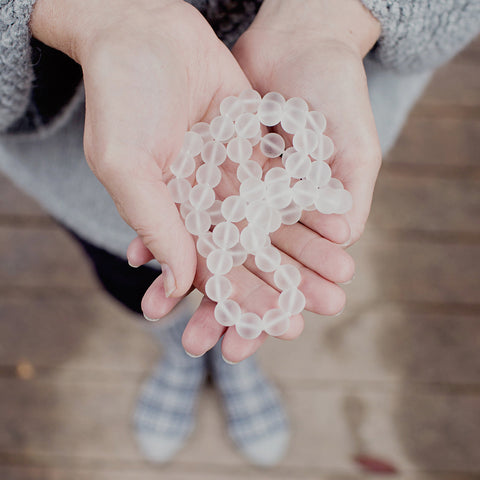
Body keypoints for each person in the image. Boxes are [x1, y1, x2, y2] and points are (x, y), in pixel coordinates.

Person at [1, 0, 479, 467]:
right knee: (134, 274)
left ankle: (235, 362)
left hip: (319, 83)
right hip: (90, 126)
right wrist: (88, 14)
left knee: (246, 296)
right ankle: (177, 352)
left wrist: (336, 14)